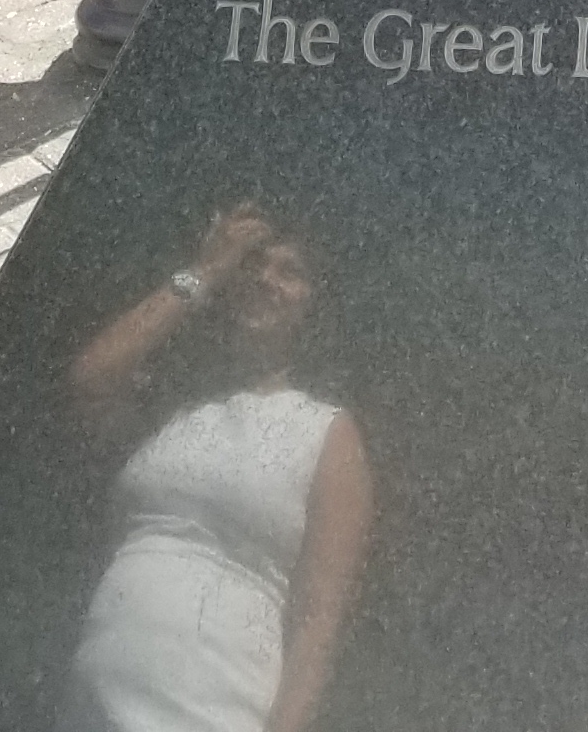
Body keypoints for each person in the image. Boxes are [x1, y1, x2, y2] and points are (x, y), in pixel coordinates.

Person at [65, 208, 374, 732]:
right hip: (90, 708)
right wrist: (204, 270)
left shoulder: (327, 431)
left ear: (315, 304)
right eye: (253, 263)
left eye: (290, 271)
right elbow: (90, 380)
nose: (266, 279)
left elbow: (318, 623)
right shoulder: (172, 404)